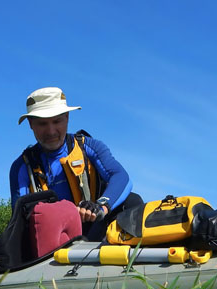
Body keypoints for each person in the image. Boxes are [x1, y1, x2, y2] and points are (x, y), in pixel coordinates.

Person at [9, 87, 143, 241]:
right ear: (31, 124)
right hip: (53, 241)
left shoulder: (90, 147)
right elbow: (19, 219)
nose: (51, 131)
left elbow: (122, 178)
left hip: (94, 230)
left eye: (57, 121)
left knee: (132, 200)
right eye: (42, 124)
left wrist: (100, 207)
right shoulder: (21, 167)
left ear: (67, 117)